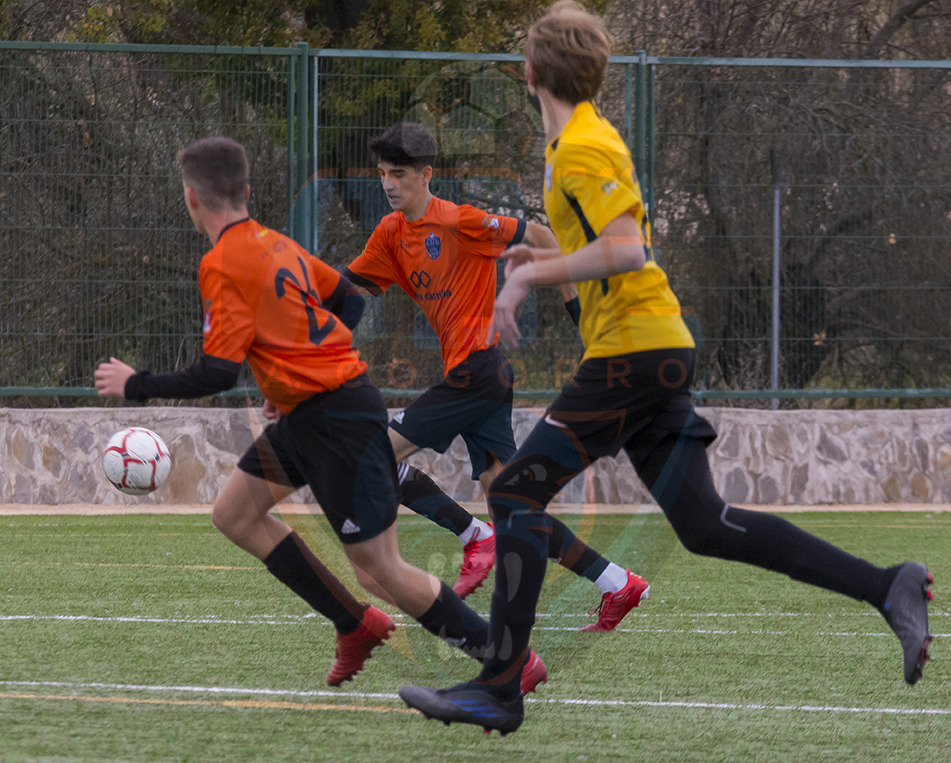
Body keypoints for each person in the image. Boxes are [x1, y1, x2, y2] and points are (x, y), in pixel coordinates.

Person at [398, 1, 934, 734]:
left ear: (528, 73)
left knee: (516, 492)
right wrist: (550, 262)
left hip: (635, 353)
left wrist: (527, 277)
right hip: (649, 350)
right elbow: (606, 247)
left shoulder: (582, 146)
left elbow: (626, 250)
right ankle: (886, 585)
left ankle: (498, 685)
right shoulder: (575, 143)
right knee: (705, 524)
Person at [93, 136, 548, 695]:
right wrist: (293, 373)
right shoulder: (276, 243)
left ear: (191, 197)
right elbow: (347, 301)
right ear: (247, 192)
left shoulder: (221, 263)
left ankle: (508, 660)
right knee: (235, 515)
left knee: (379, 571)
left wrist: (134, 384)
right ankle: (354, 625)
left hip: (338, 418)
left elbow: (216, 373)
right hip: (309, 413)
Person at [344, 121, 649, 625]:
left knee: (369, 458)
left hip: (478, 373)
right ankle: (617, 582)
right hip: (480, 377)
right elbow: (348, 288)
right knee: (513, 505)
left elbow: (544, 236)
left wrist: (579, 316)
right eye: (382, 173)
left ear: (426, 174)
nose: (388, 184)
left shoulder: (460, 221)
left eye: (398, 174)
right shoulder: (391, 233)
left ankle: (473, 537)